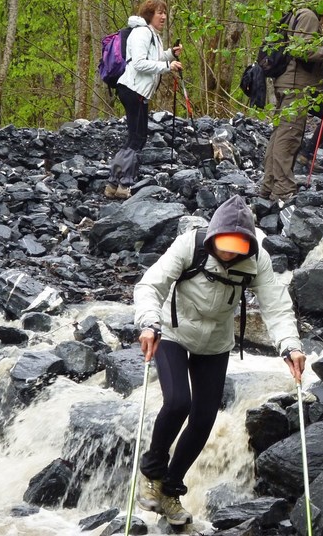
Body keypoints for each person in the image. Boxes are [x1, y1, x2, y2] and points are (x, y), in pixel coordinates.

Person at [132, 194, 306, 525]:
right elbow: (150, 286)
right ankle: (152, 475)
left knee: (204, 418)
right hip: (171, 333)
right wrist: (148, 323)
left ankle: (170, 490)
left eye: (237, 248)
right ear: (213, 237)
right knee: (178, 402)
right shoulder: (190, 246)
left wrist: (290, 345)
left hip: (215, 344)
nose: (229, 254)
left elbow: (276, 305)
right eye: (224, 245)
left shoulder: (257, 260)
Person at [259, 0, 323, 204]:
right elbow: (301, 50)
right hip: (295, 87)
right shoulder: (307, 15)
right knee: (289, 137)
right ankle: (283, 188)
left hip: (289, 83)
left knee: (280, 134)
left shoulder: (298, 12)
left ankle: (268, 187)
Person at [104, 0, 183, 199]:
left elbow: (152, 59)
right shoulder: (141, 33)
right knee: (136, 138)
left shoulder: (152, 35)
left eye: (165, 12)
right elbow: (139, 63)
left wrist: (170, 55)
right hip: (132, 89)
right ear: (149, 15)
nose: (164, 16)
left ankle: (114, 184)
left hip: (138, 91)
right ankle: (123, 185)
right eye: (159, 13)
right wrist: (167, 68)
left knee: (136, 137)